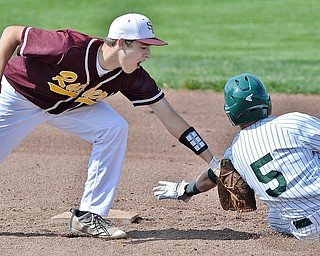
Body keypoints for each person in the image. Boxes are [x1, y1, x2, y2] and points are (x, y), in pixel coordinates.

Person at [0, 13, 219, 239]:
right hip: (18, 98)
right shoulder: (69, 47)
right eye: (144, 47)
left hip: (69, 107)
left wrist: (213, 162)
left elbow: (171, 118)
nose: (149, 54)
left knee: (113, 127)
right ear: (122, 43)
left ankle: (88, 216)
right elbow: (11, 34)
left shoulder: (132, 76)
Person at [153, 73, 320, 241]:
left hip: (308, 233)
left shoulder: (234, 153)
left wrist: (186, 190)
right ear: (266, 101)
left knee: (276, 218)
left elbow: (213, 175)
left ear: (230, 113)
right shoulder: (293, 123)